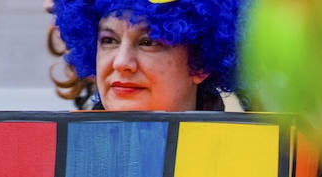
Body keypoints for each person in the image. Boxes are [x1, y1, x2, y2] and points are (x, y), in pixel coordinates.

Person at [52, 0, 247, 112]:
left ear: (200, 63)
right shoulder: (58, 158)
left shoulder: (246, 160)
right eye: (109, 41)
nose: (121, 63)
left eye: (148, 42)